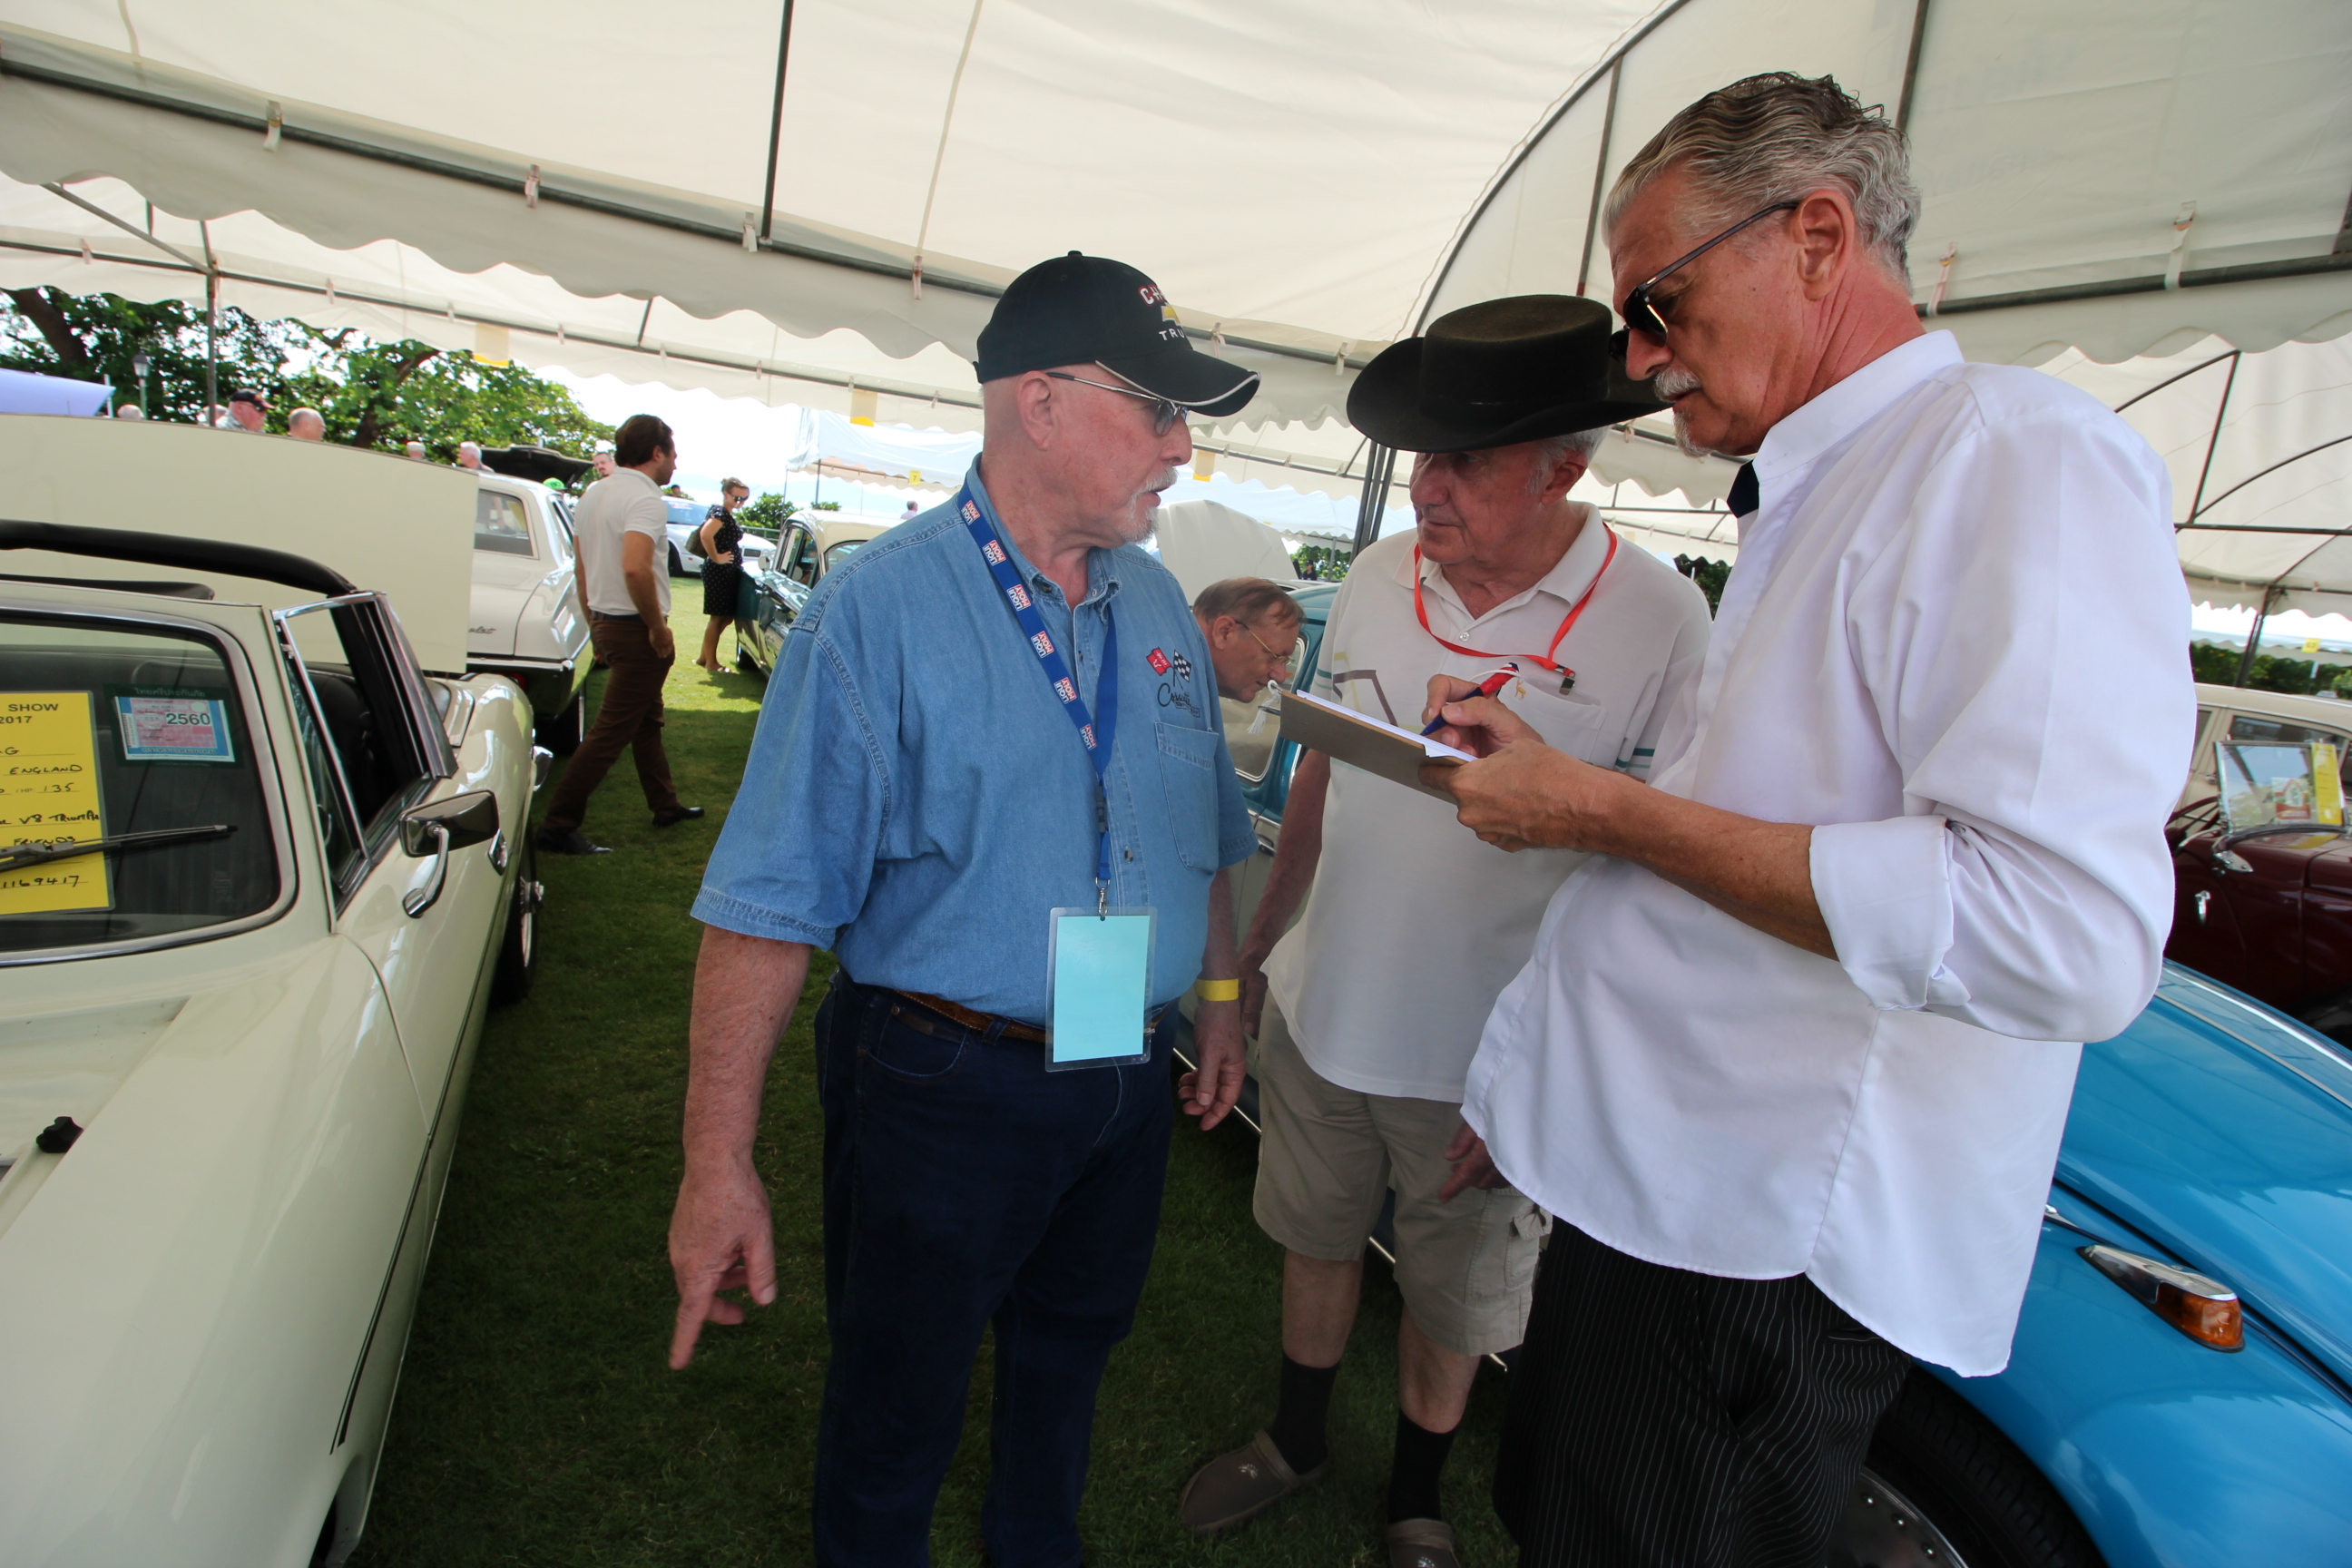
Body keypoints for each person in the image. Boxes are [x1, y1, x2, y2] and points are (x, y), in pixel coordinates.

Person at [1420, 74, 2191, 1568]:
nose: (1637, 358)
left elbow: (2061, 933)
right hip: (1673, 1205)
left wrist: (1601, 808)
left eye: (1657, 299)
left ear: (1819, 236)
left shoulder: (2010, 456)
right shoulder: (1824, 489)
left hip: (1751, 1254)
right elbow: (1771, 830)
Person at [668, 250, 1261, 1568]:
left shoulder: (1155, 600)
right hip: (941, 1080)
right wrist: (718, 1163)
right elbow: (766, 907)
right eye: (1157, 410)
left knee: (1069, 1362)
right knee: (900, 1400)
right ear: (1039, 404)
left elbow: (1202, 835)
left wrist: (1218, 997)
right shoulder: (876, 611)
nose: (1182, 448)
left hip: (1124, 1071)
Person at [1180, 297, 1710, 1568]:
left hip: (1483, 1065)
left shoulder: (1661, 621)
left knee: (1453, 1301)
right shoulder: (1373, 575)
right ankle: (1298, 1437)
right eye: (1425, 456)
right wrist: (1253, 971)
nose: (1430, 488)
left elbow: (1655, 871)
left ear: (1567, 468)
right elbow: (1319, 776)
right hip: (1326, 1016)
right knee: (1313, 1244)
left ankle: (1415, 1503)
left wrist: (1543, 1074)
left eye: (1467, 461)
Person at [534, 412, 705, 855]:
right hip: (635, 630)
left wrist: (594, 626)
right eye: (673, 453)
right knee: (610, 733)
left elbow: (582, 567)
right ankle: (557, 824)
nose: (675, 463)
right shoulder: (646, 500)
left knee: (646, 722)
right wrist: (657, 629)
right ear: (656, 453)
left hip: (609, 622)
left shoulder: (594, 493)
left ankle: (665, 805)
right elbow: (634, 566)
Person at [1191, 576, 1302, 701]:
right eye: (1274, 658)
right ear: (1224, 632)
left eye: (1283, 661)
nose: (1280, 677)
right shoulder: (1169, 699)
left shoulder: (1176, 684)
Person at [693, 476, 751, 671]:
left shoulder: (723, 512)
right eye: (737, 498)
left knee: (724, 617)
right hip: (719, 571)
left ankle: (704, 656)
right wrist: (716, 557)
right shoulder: (720, 513)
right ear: (726, 494)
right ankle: (711, 662)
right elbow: (705, 534)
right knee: (718, 617)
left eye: (744, 499)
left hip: (726, 571)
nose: (740, 503)